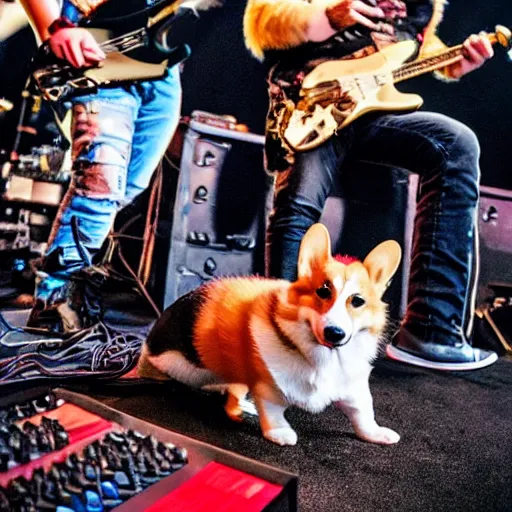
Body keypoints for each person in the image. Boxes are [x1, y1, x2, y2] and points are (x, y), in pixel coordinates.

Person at [243, 0, 498, 371]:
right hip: (312, 104)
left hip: (373, 111)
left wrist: (455, 61)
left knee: (457, 144)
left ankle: (431, 330)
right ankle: (275, 338)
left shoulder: (422, 6)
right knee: (299, 201)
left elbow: (415, 48)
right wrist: (330, 15)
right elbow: (263, 19)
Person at [18, 0, 183, 333]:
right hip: (94, 44)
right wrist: (54, 28)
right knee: (99, 186)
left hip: (161, 65)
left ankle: (78, 285)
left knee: (127, 186)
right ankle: (54, 304)